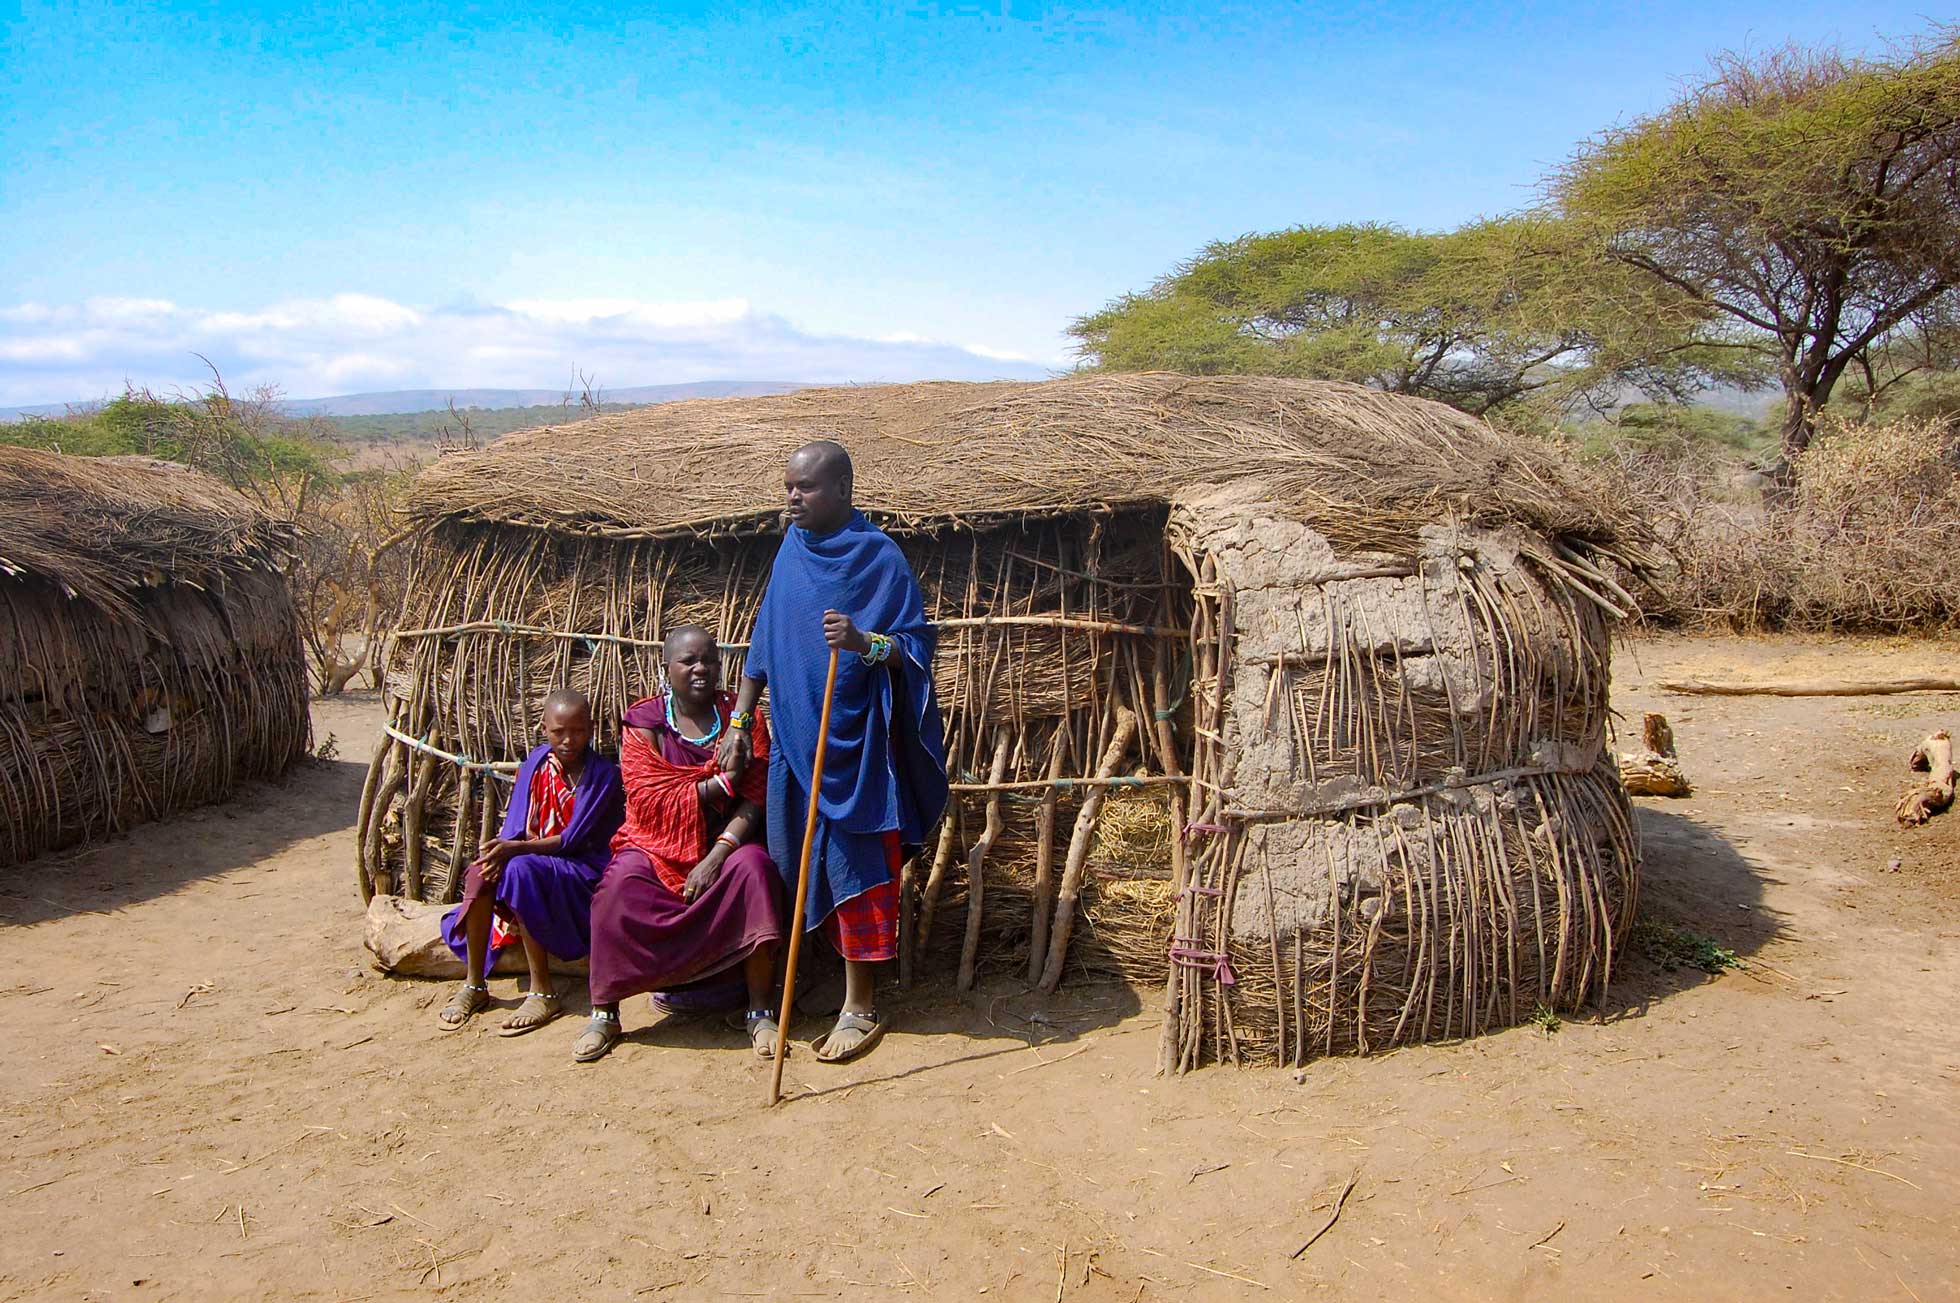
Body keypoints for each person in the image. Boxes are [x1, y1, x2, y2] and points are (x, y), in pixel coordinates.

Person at [716, 440, 948, 1062]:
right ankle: (802, 990)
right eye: (788, 485)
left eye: (806, 488)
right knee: (798, 862)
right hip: (796, 739)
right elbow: (763, 643)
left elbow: (915, 649)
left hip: (857, 747)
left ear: (843, 489)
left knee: (857, 867)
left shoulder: (878, 558)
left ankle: (860, 1005)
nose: (792, 497)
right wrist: (740, 720)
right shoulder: (790, 552)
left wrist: (864, 641)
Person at [572, 626, 788, 1063]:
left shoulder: (743, 721)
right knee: (617, 888)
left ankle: (760, 1009)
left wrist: (716, 855)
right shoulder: (644, 722)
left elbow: (755, 797)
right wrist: (718, 783)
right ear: (666, 667)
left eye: (709, 659)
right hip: (653, 844)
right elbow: (648, 798)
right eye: (688, 661)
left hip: (723, 842)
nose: (701, 669)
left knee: (756, 872)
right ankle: (605, 1012)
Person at [437, 688, 623, 1034]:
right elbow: (517, 826)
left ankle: (542, 991)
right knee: (480, 873)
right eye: (559, 731)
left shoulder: (603, 776)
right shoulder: (536, 764)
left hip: (585, 871)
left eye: (578, 731)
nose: (568, 740)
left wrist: (513, 852)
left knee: (521, 871)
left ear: (592, 728)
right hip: (537, 859)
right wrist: (497, 854)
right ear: (543, 728)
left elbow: (573, 840)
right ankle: (475, 985)